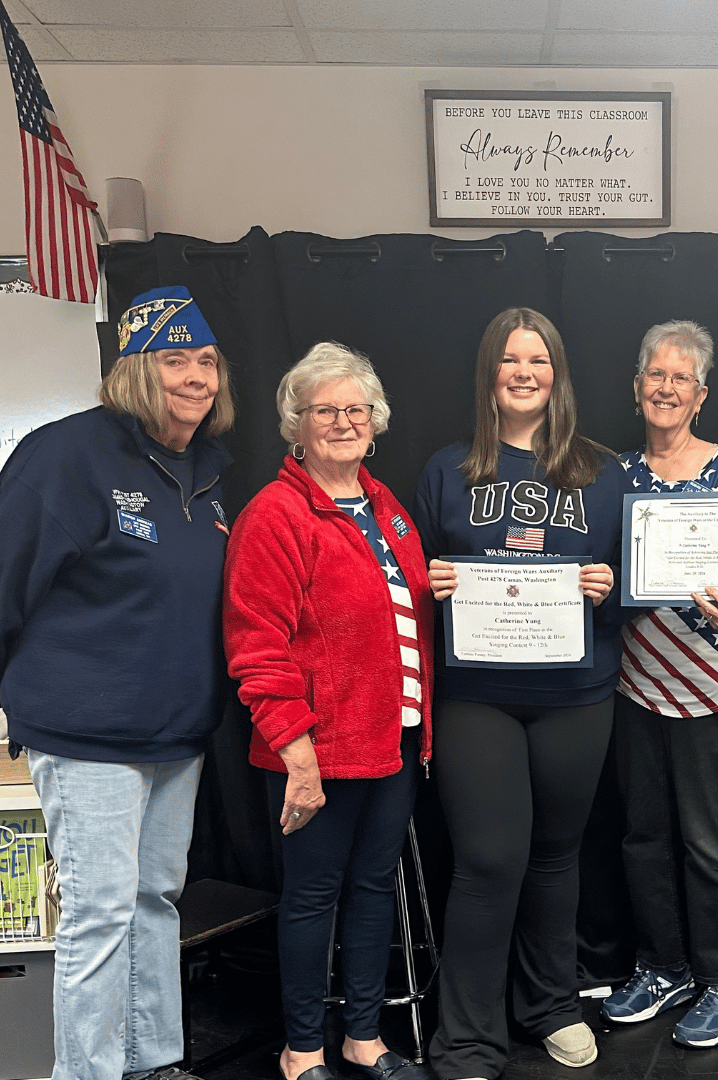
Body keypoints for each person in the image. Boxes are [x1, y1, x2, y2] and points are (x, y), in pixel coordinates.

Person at [0, 287, 234, 1080]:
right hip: (87, 733)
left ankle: (154, 1062)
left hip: (175, 734)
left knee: (152, 904)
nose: (198, 377)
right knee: (99, 916)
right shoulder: (67, 454)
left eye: (207, 361)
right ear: (135, 368)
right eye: (177, 360)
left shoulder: (206, 475)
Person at [413, 308, 625, 1080]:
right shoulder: (448, 468)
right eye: (510, 359)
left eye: (538, 359)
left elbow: (638, 576)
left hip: (577, 691)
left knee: (556, 857)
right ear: (489, 373)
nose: (524, 371)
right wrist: (432, 579)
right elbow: (414, 574)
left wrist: (614, 585)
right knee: (488, 858)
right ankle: (467, 1036)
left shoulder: (604, 470)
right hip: (478, 694)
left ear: (558, 374)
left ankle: (550, 1006)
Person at [223, 343, 434, 1080]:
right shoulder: (275, 515)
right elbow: (257, 648)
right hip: (318, 752)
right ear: (296, 425)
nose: (343, 422)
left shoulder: (387, 508)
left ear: (374, 422)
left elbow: (401, 611)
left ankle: (364, 1038)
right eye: (325, 411)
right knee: (313, 899)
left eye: (355, 410)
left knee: (376, 889)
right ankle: (302, 1048)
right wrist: (298, 758)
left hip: (395, 740)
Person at [600, 320, 718, 1048]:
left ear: (701, 394)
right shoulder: (614, 474)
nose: (666, 388)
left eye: (680, 379)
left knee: (708, 841)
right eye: (654, 376)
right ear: (638, 390)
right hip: (634, 682)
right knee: (643, 836)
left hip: (710, 686)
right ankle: (662, 967)